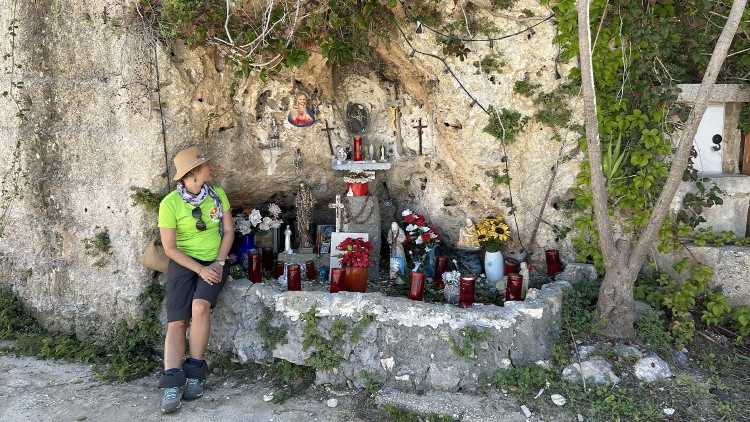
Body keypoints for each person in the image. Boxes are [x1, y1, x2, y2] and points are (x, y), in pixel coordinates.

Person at [157, 146, 235, 414]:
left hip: (215, 261)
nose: (210, 168)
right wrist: (199, 270)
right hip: (184, 263)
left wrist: (219, 262)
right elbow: (169, 248)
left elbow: (228, 231)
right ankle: (171, 382)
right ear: (193, 173)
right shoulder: (170, 204)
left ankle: (195, 374)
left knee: (200, 306)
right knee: (177, 321)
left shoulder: (218, 195)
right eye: (205, 166)